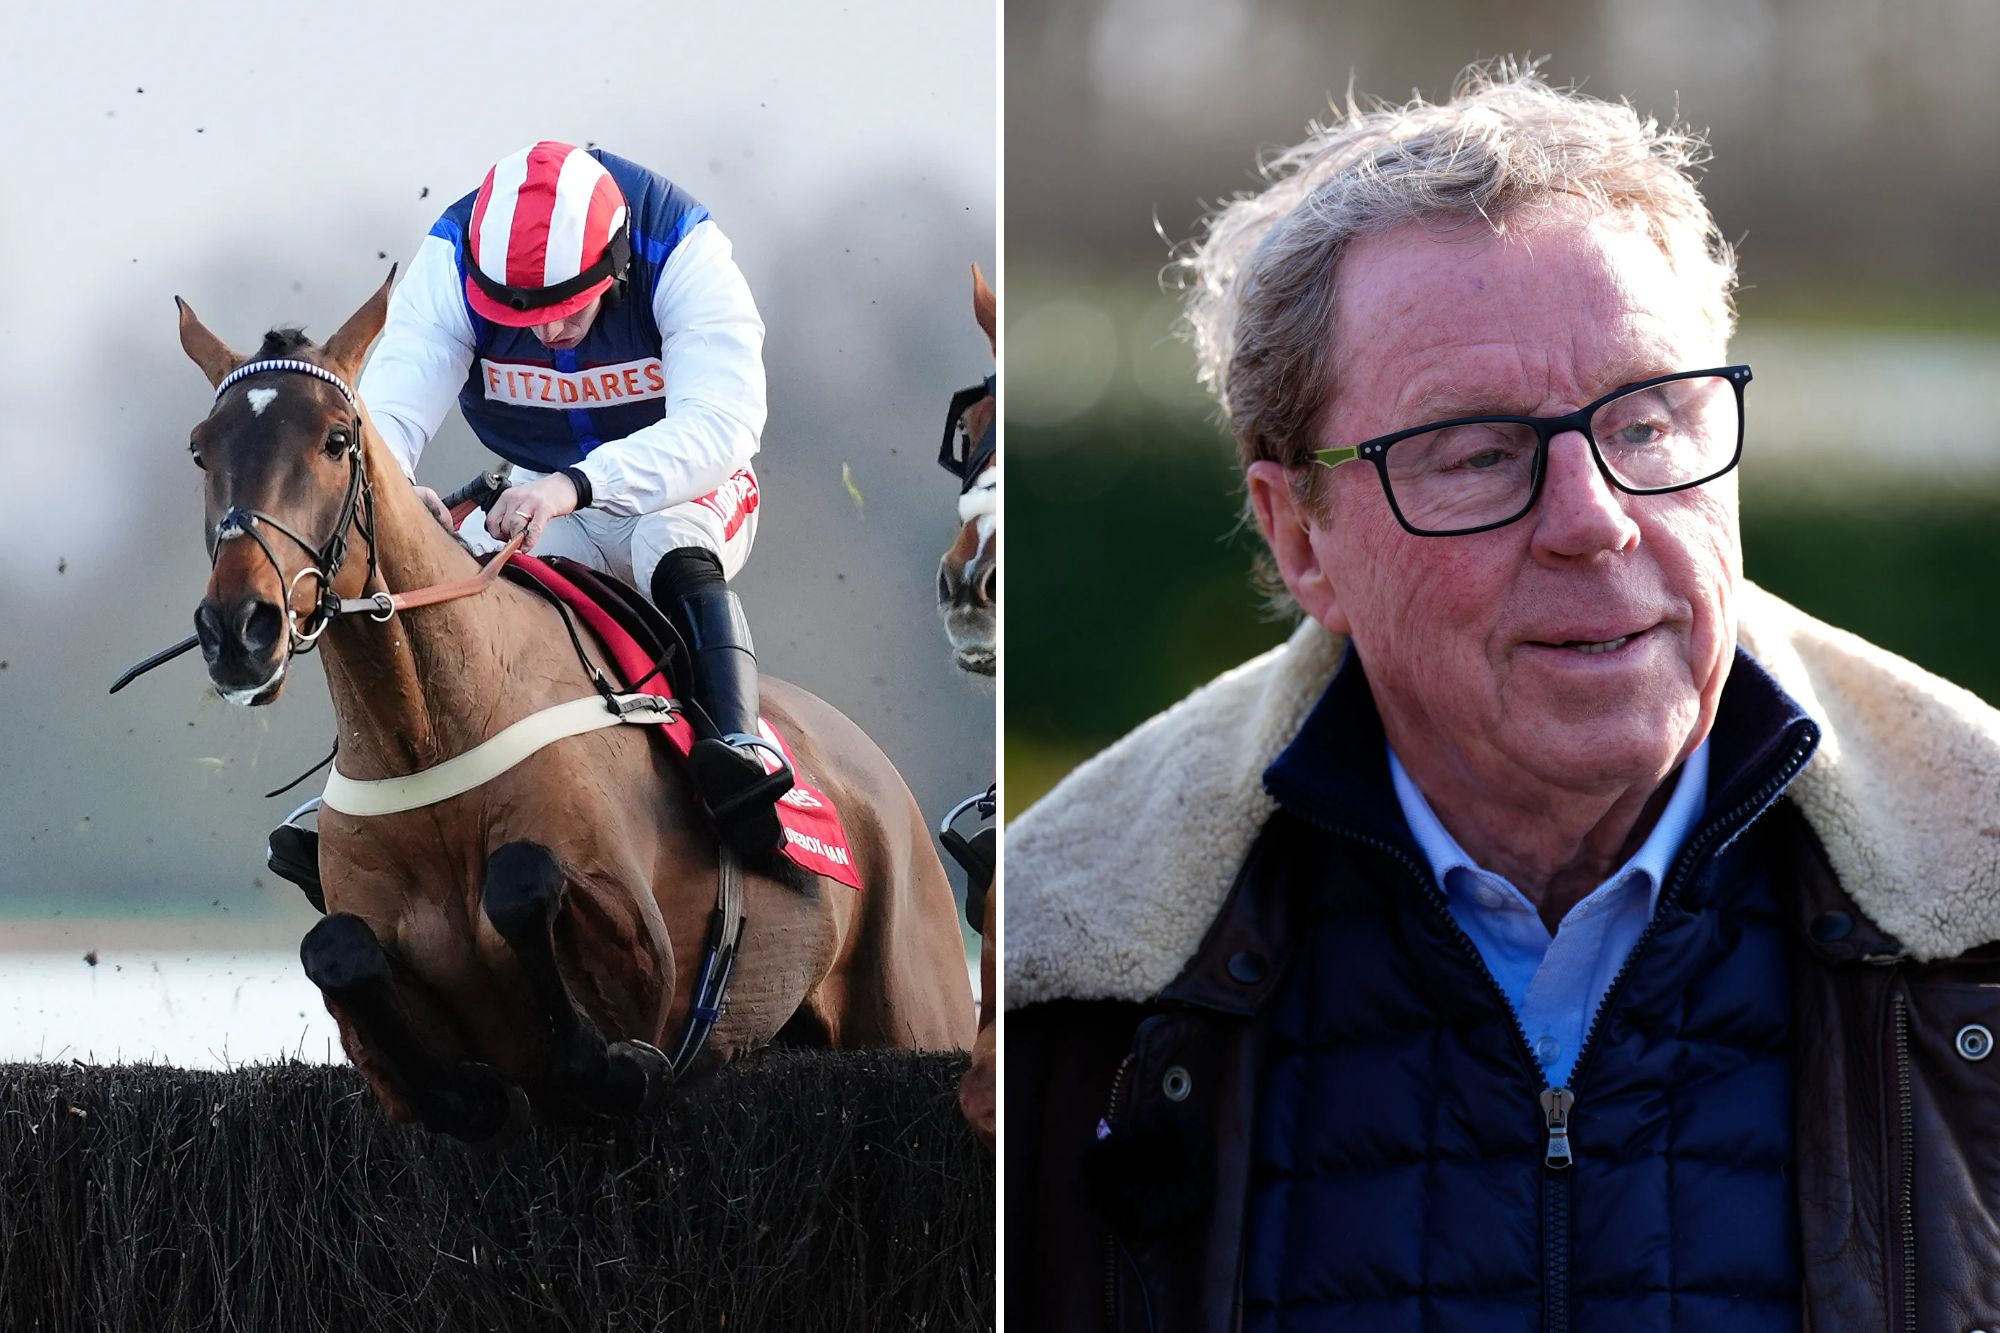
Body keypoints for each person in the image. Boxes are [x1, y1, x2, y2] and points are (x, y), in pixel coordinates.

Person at [1005, 64, 2000, 1330]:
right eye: (1477, 452)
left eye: (1647, 425)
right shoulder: (1058, 985)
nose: (1594, 522)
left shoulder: (1978, 915)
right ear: (1297, 537)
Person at [366, 139, 790, 859]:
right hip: (543, 491)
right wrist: (403, 500)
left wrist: (575, 485)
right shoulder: (450, 256)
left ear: (619, 261)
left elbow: (723, 425)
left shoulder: (685, 248)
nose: (545, 332)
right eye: (519, 315)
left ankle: (737, 743)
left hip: (688, 482)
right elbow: (384, 423)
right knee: (458, 575)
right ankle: (383, 784)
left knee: (666, 541)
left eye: (567, 310)